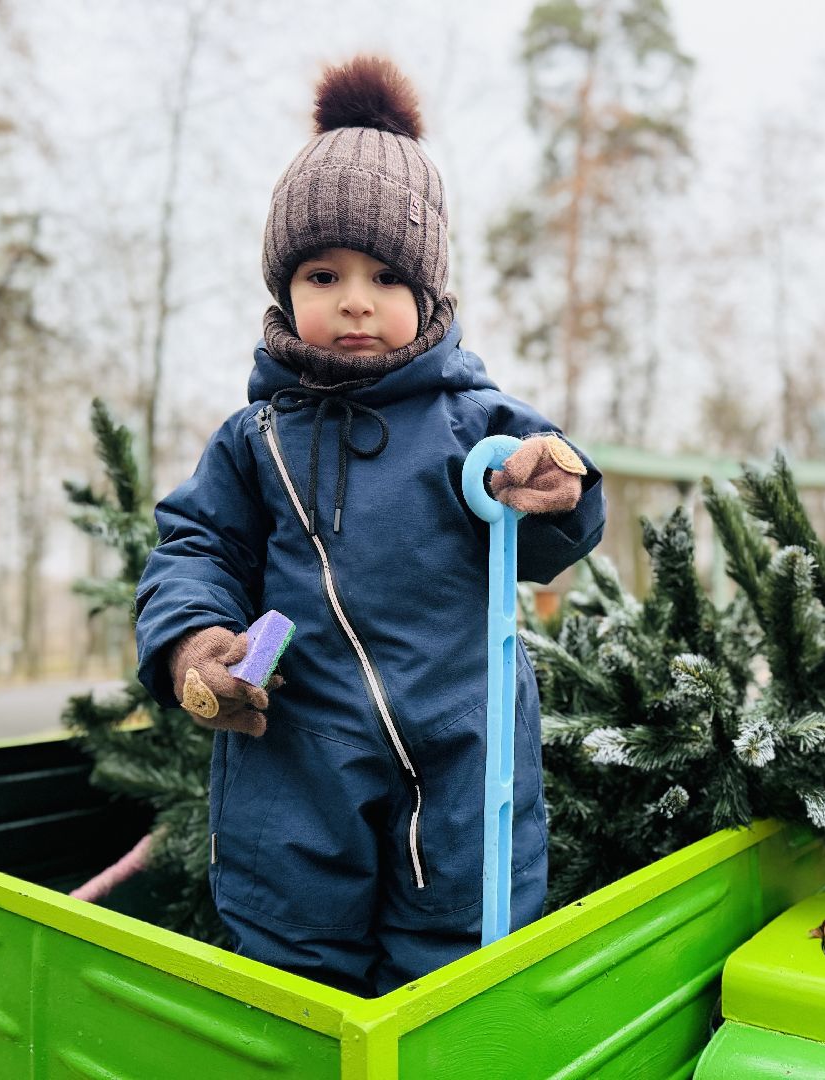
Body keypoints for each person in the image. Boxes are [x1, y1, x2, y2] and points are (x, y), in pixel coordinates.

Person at [135, 56, 605, 997]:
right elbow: (195, 548)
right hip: (295, 749)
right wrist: (194, 644)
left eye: (387, 276)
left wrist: (561, 484)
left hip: (461, 749)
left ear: (427, 296)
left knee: (458, 955)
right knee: (288, 955)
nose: (356, 299)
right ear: (284, 288)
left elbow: (552, 522)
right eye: (324, 271)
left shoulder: (478, 422)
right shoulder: (252, 439)